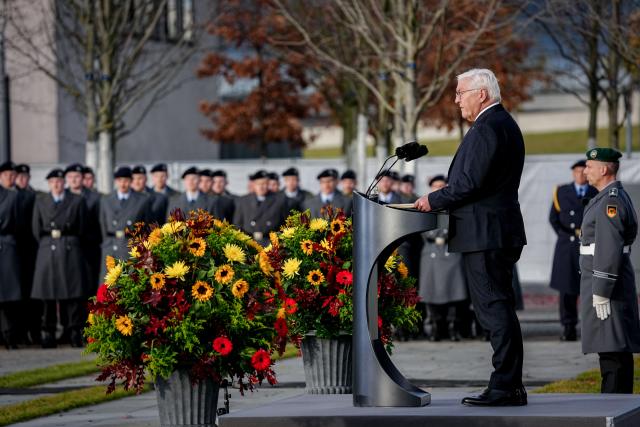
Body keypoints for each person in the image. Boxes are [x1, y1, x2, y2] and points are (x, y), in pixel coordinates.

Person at [414, 68, 527, 407]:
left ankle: (505, 385)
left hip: (485, 234)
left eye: (460, 92)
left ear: (481, 94)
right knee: (498, 308)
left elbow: (469, 184)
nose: (455, 99)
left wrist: (432, 199)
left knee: (493, 310)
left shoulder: (488, 127)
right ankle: (510, 384)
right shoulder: (498, 124)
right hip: (493, 232)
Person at [579, 147, 640, 394]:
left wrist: (601, 289)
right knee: (612, 349)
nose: (585, 171)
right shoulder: (608, 197)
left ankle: (614, 408)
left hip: (608, 286)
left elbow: (608, 248)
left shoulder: (610, 201)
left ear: (604, 169)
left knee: (613, 351)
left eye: (590, 167)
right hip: (608, 281)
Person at [32, 169, 89, 348]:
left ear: (64, 183)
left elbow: (82, 226)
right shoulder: (41, 201)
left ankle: (74, 332)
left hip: (70, 246)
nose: (56, 184)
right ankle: (48, 332)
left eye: (59, 181)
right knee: (47, 293)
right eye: (52, 182)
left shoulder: (77, 200)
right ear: (49, 184)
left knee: (72, 294)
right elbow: (36, 228)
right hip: (48, 248)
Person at [549, 160, 598, 341]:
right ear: (573, 173)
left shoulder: (595, 192)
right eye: (576, 171)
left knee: (589, 288)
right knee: (567, 290)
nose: (580, 175)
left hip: (588, 245)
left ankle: (591, 328)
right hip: (567, 246)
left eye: (582, 171)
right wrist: (566, 236)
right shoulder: (561, 192)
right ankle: (568, 327)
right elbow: (553, 218)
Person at [419, 175, 468, 342]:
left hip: (450, 252)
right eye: (435, 185)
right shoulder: (426, 204)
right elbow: (422, 226)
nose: (438, 188)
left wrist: (445, 235)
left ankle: (453, 328)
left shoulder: (454, 204)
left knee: (453, 292)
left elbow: (459, 223)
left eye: (442, 185)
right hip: (432, 253)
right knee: (431, 294)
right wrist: (436, 235)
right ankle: (434, 329)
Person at [99, 166, 150, 279]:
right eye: (120, 180)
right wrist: (107, 243)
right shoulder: (106, 199)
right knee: (110, 284)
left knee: (129, 281)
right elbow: (103, 224)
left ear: (131, 181)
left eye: (126, 180)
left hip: (130, 246)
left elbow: (146, 226)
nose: (123, 184)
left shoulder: (142, 200)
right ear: (115, 181)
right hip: (111, 246)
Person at [14, 164, 41, 345]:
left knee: (33, 294)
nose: (23, 180)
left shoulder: (36, 197)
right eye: (20, 177)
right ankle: (19, 332)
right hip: (15, 249)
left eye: (25, 177)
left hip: (32, 249)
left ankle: (34, 330)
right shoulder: (11, 196)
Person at [233, 170, 287, 246]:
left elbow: (284, 225)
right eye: (259, 184)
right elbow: (237, 224)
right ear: (254, 185)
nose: (261, 187)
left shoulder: (278, 200)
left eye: (264, 184)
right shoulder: (243, 200)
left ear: (268, 184)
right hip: (248, 243)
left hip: (270, 244)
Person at [0, 180, 22, 348]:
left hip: (6, 246)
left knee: (8, 296)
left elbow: (18, 224)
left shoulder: (12, 196)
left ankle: (10, 336)